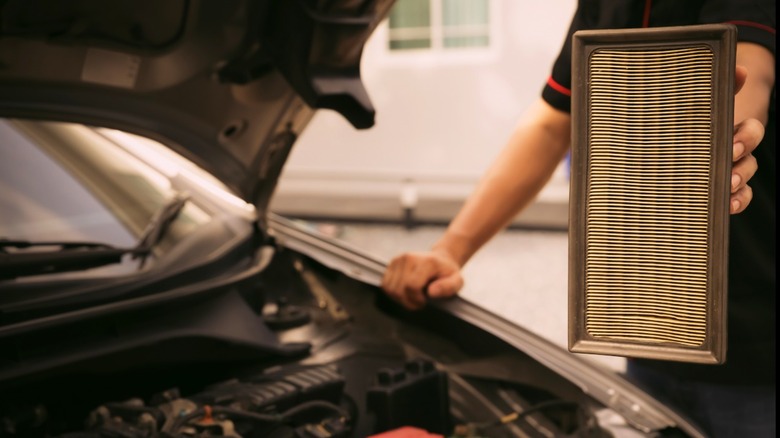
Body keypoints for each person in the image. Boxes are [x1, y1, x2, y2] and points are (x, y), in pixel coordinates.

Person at [381, 1, 775, 436]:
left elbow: (746, 72)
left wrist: (717, 138)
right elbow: (552, 124)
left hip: (759, 352)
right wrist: (450, 250)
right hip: (643, 326)